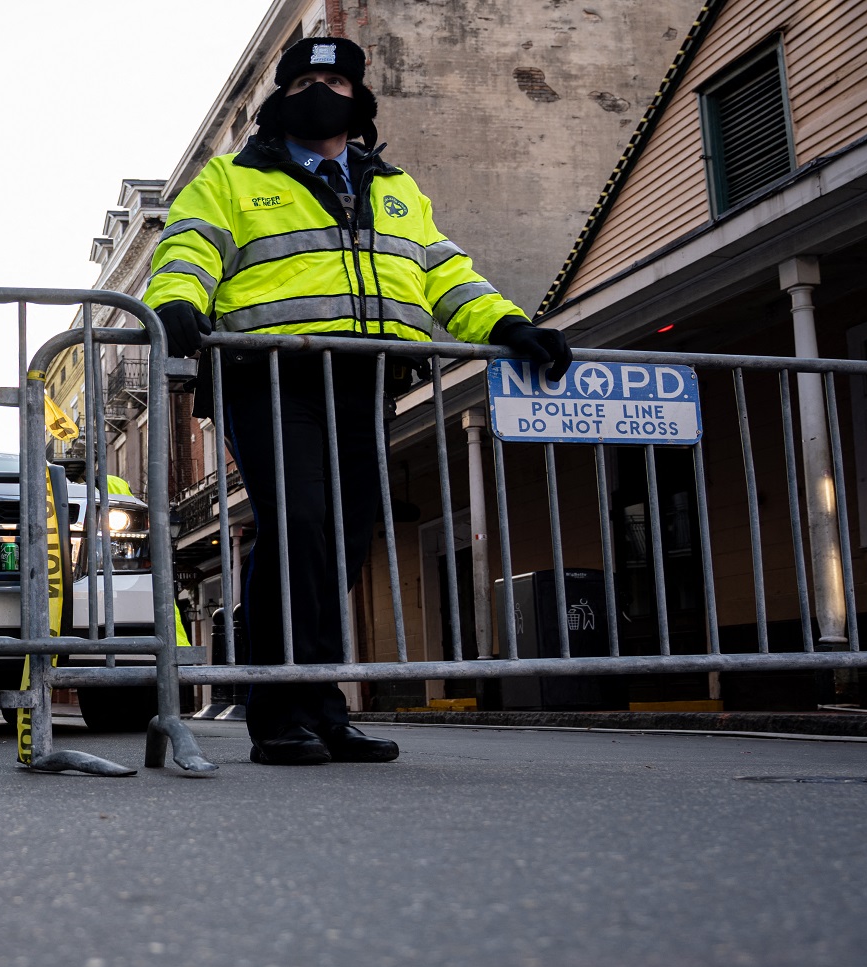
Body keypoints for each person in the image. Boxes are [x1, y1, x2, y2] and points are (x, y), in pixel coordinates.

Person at [143, 38, 570, 766]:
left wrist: (507, 323)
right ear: (280, 99)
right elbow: (187, 250)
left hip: (367, 381)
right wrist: (177, 303)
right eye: (306, 79)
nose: (321, 90)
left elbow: (443, 273)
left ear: (359, 97)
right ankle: (278, 712)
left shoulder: (395, 186)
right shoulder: (230, 178)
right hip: (270, 375)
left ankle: (323, 709)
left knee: (343, 539)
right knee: (300, 525)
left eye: (335, 80)